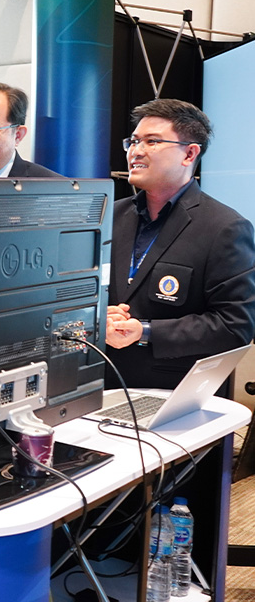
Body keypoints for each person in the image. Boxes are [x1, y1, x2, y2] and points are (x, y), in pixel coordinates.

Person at [106, 98, 255, 390]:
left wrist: (145, 331)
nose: (136, 151)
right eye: (133, 141)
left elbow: (235, 325)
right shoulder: (108, 216)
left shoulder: (224, 227)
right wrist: (99, 317)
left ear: (189, 154)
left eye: (152, 141)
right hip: (99, 383)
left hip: (176, 393)